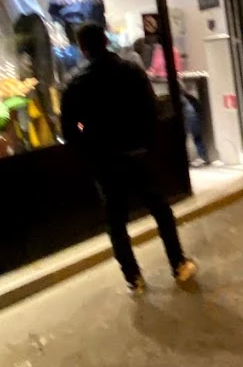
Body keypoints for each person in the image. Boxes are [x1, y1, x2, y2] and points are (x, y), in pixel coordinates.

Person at [61, 23, 198, 294]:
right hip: (137, 153)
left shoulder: (75, 83)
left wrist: (89, 143)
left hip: (105, 160)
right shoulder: (131, 71)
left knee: (116, 221)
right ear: (106, 41)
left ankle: (133, 279)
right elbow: (152, 109)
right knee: (160, 210)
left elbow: (69, 129)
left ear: (82, 48)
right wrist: (148, 144)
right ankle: (178, 264)